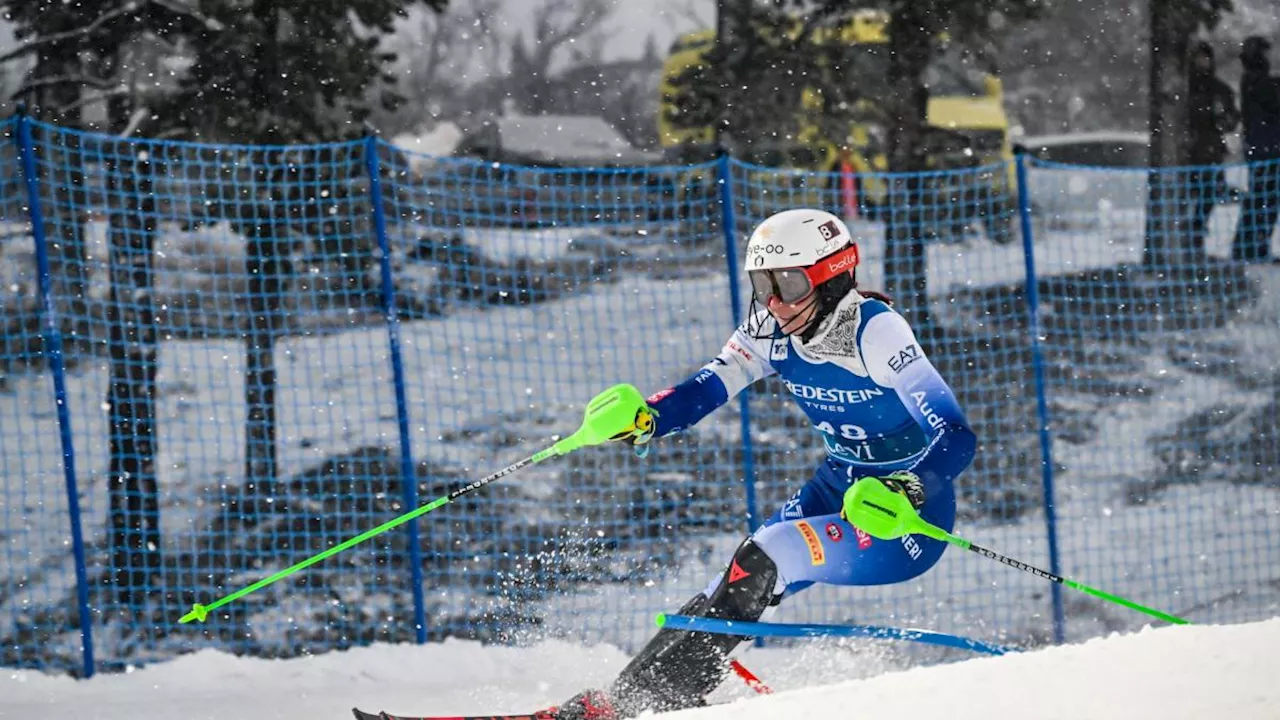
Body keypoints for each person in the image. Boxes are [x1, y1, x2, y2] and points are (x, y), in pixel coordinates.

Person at [549, 208, 977, 719]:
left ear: (832, 276)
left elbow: (955, 435)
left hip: (904, 519)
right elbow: (710, 385)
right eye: (762, 283)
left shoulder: (876, 333)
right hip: (839, 483)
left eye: (789, 282)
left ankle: (649, 705)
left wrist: (909, 488)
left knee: (767, 553)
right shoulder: (768, 326)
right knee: (731, 580)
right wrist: (649, 419)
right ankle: (622, 702)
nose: (774, 301)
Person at [1185, 41, 1240, 252]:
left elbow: (1231, 119)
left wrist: (1223, 118)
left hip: (1210, 150)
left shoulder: (1219, 89)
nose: (1202, 62)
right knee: (1189, 195)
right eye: (1199, 57)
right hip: (1189, 151)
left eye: (1206, 57)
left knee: (1207, 195)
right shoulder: (1185, 87)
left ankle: (1197, 235)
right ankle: (1190, 236)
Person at [1232, 36, 1280, 262]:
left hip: (1263, 149)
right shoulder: (1257, 82)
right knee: (1265, 200)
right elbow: (1272, 99)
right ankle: (1252, 246)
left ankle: (1250, 246)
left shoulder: (1251, 80)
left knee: (1261, 199)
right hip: (1268, 150)